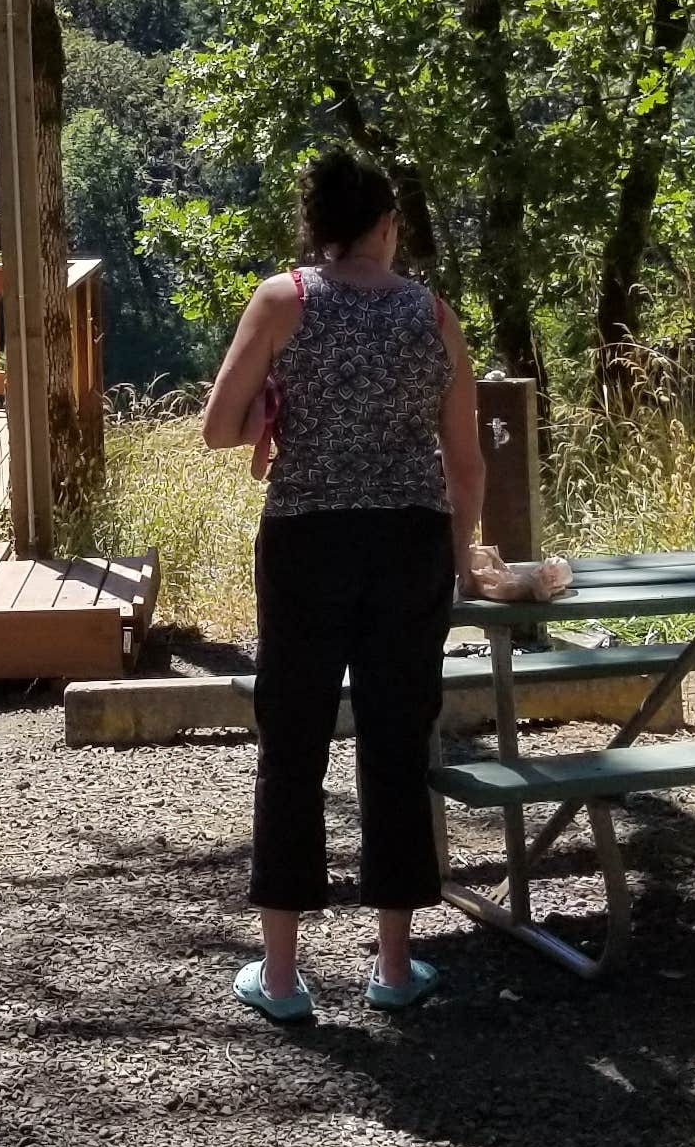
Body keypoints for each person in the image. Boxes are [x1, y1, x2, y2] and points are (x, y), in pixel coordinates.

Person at [198, 151, 483, 1022]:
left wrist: (269, 413)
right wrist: (458, 558)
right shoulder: (435, 317)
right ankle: (393, 967)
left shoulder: (283, 300)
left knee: (294, 741)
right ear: (387, 225)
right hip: (410, 544)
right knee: (397, 744)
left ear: (318, 225)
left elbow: (217, 429)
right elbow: (465, 464)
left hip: (308, 542)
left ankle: (281, 976)